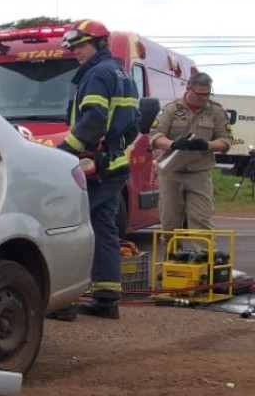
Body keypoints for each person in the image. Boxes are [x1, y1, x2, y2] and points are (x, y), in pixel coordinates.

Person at [54, 19, 141, 320]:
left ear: (99, 44)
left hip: (96, 170)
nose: (77, 52)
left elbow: (92, 120)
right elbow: (136, 122)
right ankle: (106, 298)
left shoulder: (96, 74)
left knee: (68, 229)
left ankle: (62, 303)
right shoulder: (122, 74)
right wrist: (114, 146)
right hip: (114, 166)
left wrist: (64, 151)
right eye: (74, 47)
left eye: (82, 46)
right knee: (104, 229)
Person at [148, 72, 232, 231]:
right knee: (170, 221)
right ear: (188, 89)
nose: (204, 98)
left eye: (207, 94)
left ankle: (203, 254)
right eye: (200, 94)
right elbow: (155, 136)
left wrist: (206, 145)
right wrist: (173, 144)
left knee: (201, 220)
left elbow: (226, 140)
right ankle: (172, 253)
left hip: (199, 173)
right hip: (171, 172)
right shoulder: (171, 109)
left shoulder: (216, 111)